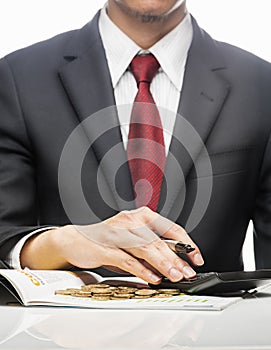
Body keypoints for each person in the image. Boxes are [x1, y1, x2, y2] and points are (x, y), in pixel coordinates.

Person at [0, 0, 270, 283]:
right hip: (66, 325)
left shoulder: (261, 86)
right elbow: (4, 236)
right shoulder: (18, 79)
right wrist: (61, 243)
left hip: (220, 325)